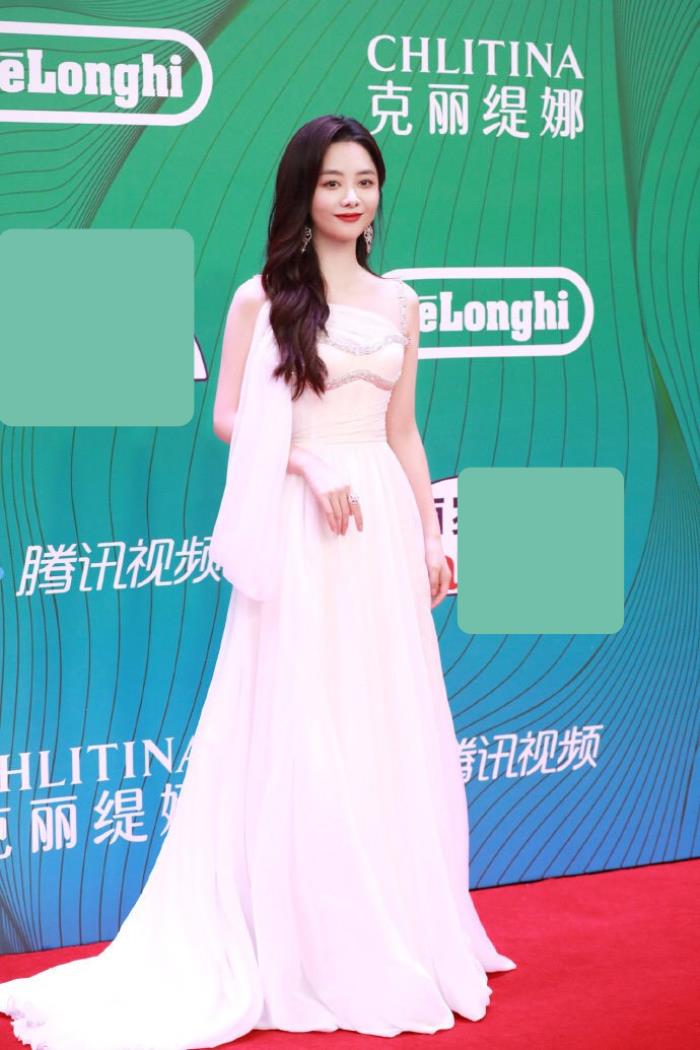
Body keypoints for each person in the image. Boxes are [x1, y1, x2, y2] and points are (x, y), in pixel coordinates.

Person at [0, 114, 515, 1050]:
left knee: (383, 716)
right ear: (302, 193)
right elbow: (230, 415)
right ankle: (304, 941)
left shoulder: (401, 303)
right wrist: (305, 463)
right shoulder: (262, 297)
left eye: (364, 181)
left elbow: (403, 430)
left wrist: (432, 536)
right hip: (305, 522)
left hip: (379, 523)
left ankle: (397, 926)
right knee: (302, 716)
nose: (351, 198)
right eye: (332, 182)